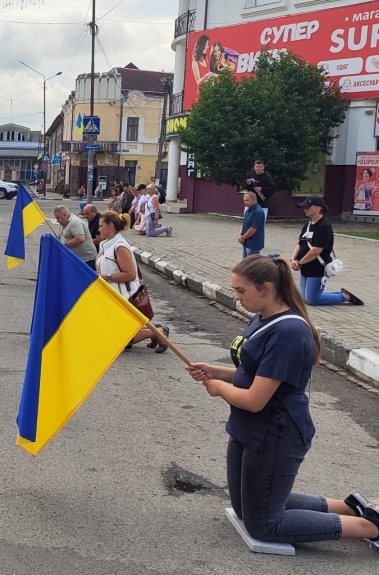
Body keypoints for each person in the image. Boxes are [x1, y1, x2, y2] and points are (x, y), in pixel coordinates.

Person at [186, 255, 379, 547]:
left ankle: (369, 525)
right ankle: (350, 506)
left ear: (265, 287)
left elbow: (254, 399)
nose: (236, 296)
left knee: (264, 525)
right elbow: (252, 373)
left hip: (275, 433)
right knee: (244, 508)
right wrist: (218, 373)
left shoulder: (288, 332)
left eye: (241, 291)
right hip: (249, 427)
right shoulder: (263, 316)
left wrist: (218, 388)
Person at [95, 211, 168, 352]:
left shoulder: (120, 247)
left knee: (124, 340)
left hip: (124, 296)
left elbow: (130, 274)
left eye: (101, 226)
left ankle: (158, 332)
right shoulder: (106, 244)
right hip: (113, 295)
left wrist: (106, 277)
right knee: (116, 333)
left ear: (110, 226)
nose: (99, 229)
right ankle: (152, 330)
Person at [290, 196, 363, 307]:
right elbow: (300, 243)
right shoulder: (308, 225)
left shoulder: (324, 226)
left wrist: (300, 263)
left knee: (312, 300)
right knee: (305, 298)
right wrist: (293, 258)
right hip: (305, 267)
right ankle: (339, 294)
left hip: (317, 267)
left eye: (308, 207)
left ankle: (344, 297)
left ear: (318, 208)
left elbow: (316, 250)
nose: (305, 209)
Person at [52, 205, 97, 271]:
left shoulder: (74, 222)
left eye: (58, 218)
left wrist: (64, 245)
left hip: (86, 260)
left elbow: (80, 238)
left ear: (65, 215)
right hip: (77, 259)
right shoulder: (65, 223)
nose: (57, 220)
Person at [238, 190, 265, 258]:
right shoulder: (248, 210)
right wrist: (240, 234)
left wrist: (243, 238)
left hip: (254, 243)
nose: (245, 202)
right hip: (246, 242)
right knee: (244, 263)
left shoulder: (258, 212)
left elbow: (253, 228)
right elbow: (244, 223)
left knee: (251, 265)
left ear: (254, 200)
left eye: (247, 200)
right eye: (244, 200)